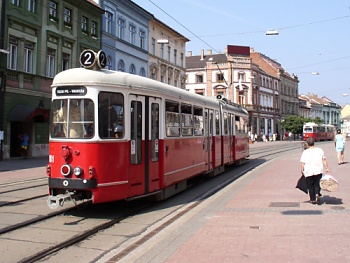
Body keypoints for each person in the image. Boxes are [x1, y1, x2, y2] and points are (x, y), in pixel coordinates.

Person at [300, 137, 330, 204]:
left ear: (307, 144)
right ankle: (317, 193)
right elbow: (324, 159)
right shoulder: (319, 150)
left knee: (310, 185)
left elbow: (302, 162)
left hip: (308, 171)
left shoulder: (305, 152)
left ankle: (312, 199)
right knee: (317, 183)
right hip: (318, 169)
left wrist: (302, 170)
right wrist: (327, 168)